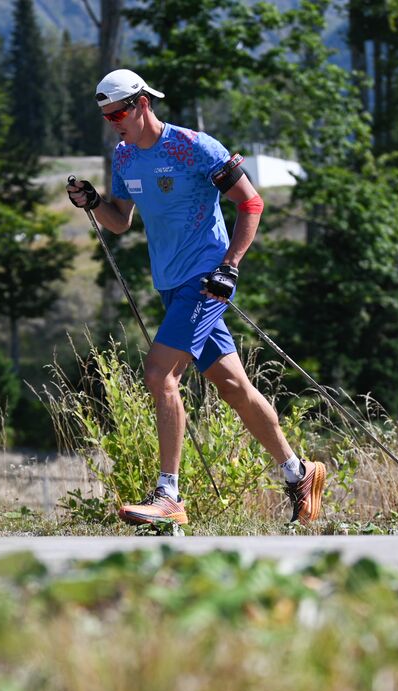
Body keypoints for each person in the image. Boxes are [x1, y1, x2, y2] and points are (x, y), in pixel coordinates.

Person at [66, 69, 325, 527]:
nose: (114, 123)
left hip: (206, 280)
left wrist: (230, 267)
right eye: (107, 117)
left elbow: (251, 203)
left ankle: (169, 495)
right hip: (170, 284)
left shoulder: (193, 146)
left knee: (158, 372)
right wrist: (92, 203)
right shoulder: (124, 158)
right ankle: (299, 472)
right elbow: (121, 221)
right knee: (233, 388)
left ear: (143, 103)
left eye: (120, 113)